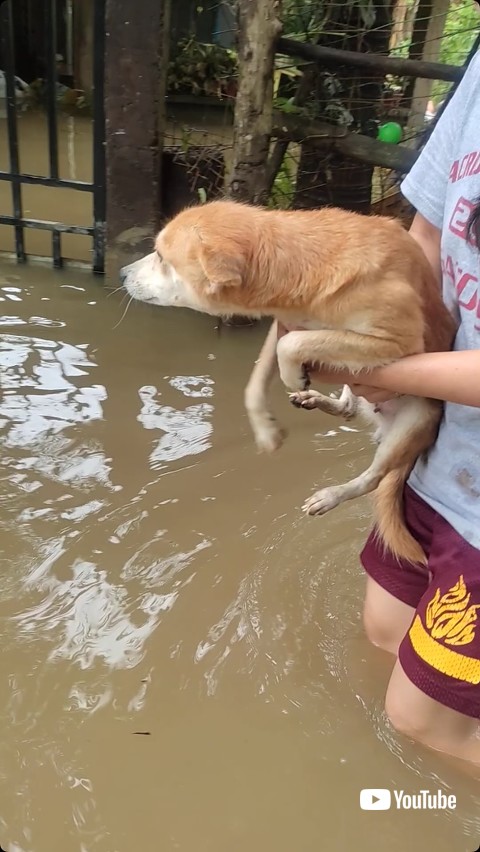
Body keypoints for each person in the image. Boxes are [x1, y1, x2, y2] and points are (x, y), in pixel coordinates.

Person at [305, 44, 480, 766]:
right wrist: (383, 345)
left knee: (422, 720)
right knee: (382, 629)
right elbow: (428, 237)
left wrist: (399, 368)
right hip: (443, 454)